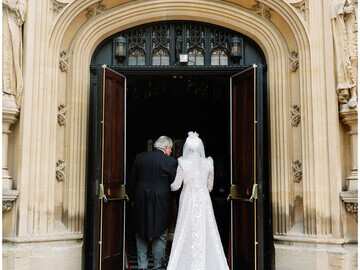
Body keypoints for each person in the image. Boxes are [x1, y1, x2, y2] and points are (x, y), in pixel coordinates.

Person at [167, 132, 229, 270]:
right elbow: (210, 186)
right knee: (205, 228)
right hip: (203, 198)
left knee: (186, 229)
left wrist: (168, 186)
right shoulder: (208, 163)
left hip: (188, 198)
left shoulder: (183, 163)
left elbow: (176, 185)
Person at [128, 136, 177, 270]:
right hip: (162, 202)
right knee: (160, 233)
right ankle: (158, 267)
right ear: (166, 148)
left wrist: (132, 199)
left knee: (140, 232)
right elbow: (174, 185)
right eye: (171, 149)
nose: (170, 151)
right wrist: (173, 201)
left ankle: (142, 266)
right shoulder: (171, 162)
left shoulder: (140, 157)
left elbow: (132, 181)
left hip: (140, 200)